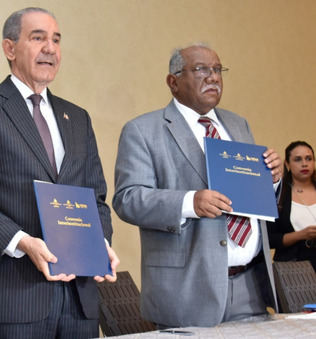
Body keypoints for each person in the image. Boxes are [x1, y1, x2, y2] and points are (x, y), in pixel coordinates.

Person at [0, 7, 119, 339]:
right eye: (38, 38)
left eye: (56, 40)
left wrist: (99, 243)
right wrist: (23, 243)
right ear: (10, 48)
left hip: (79, 300)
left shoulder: (78, 117)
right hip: (15, 298)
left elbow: (96, 198)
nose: (50, 49)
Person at [112, 43, 282, 328]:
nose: (213, 77)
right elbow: (128, 199)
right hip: (186, 291)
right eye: (201, 69)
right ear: (173, 82)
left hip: (251, 285)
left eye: (217, 70)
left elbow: (250, 194)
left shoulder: (238, 125)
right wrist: (189, 203)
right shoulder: (142, 130)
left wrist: (272, 180)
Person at [268, 141, 316, 271]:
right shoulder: (278, 194)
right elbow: (269, 239)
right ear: (287, 164)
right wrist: (301, 235)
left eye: (309, 159)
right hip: (293, 268)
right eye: (298, 159)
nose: (304, 163)